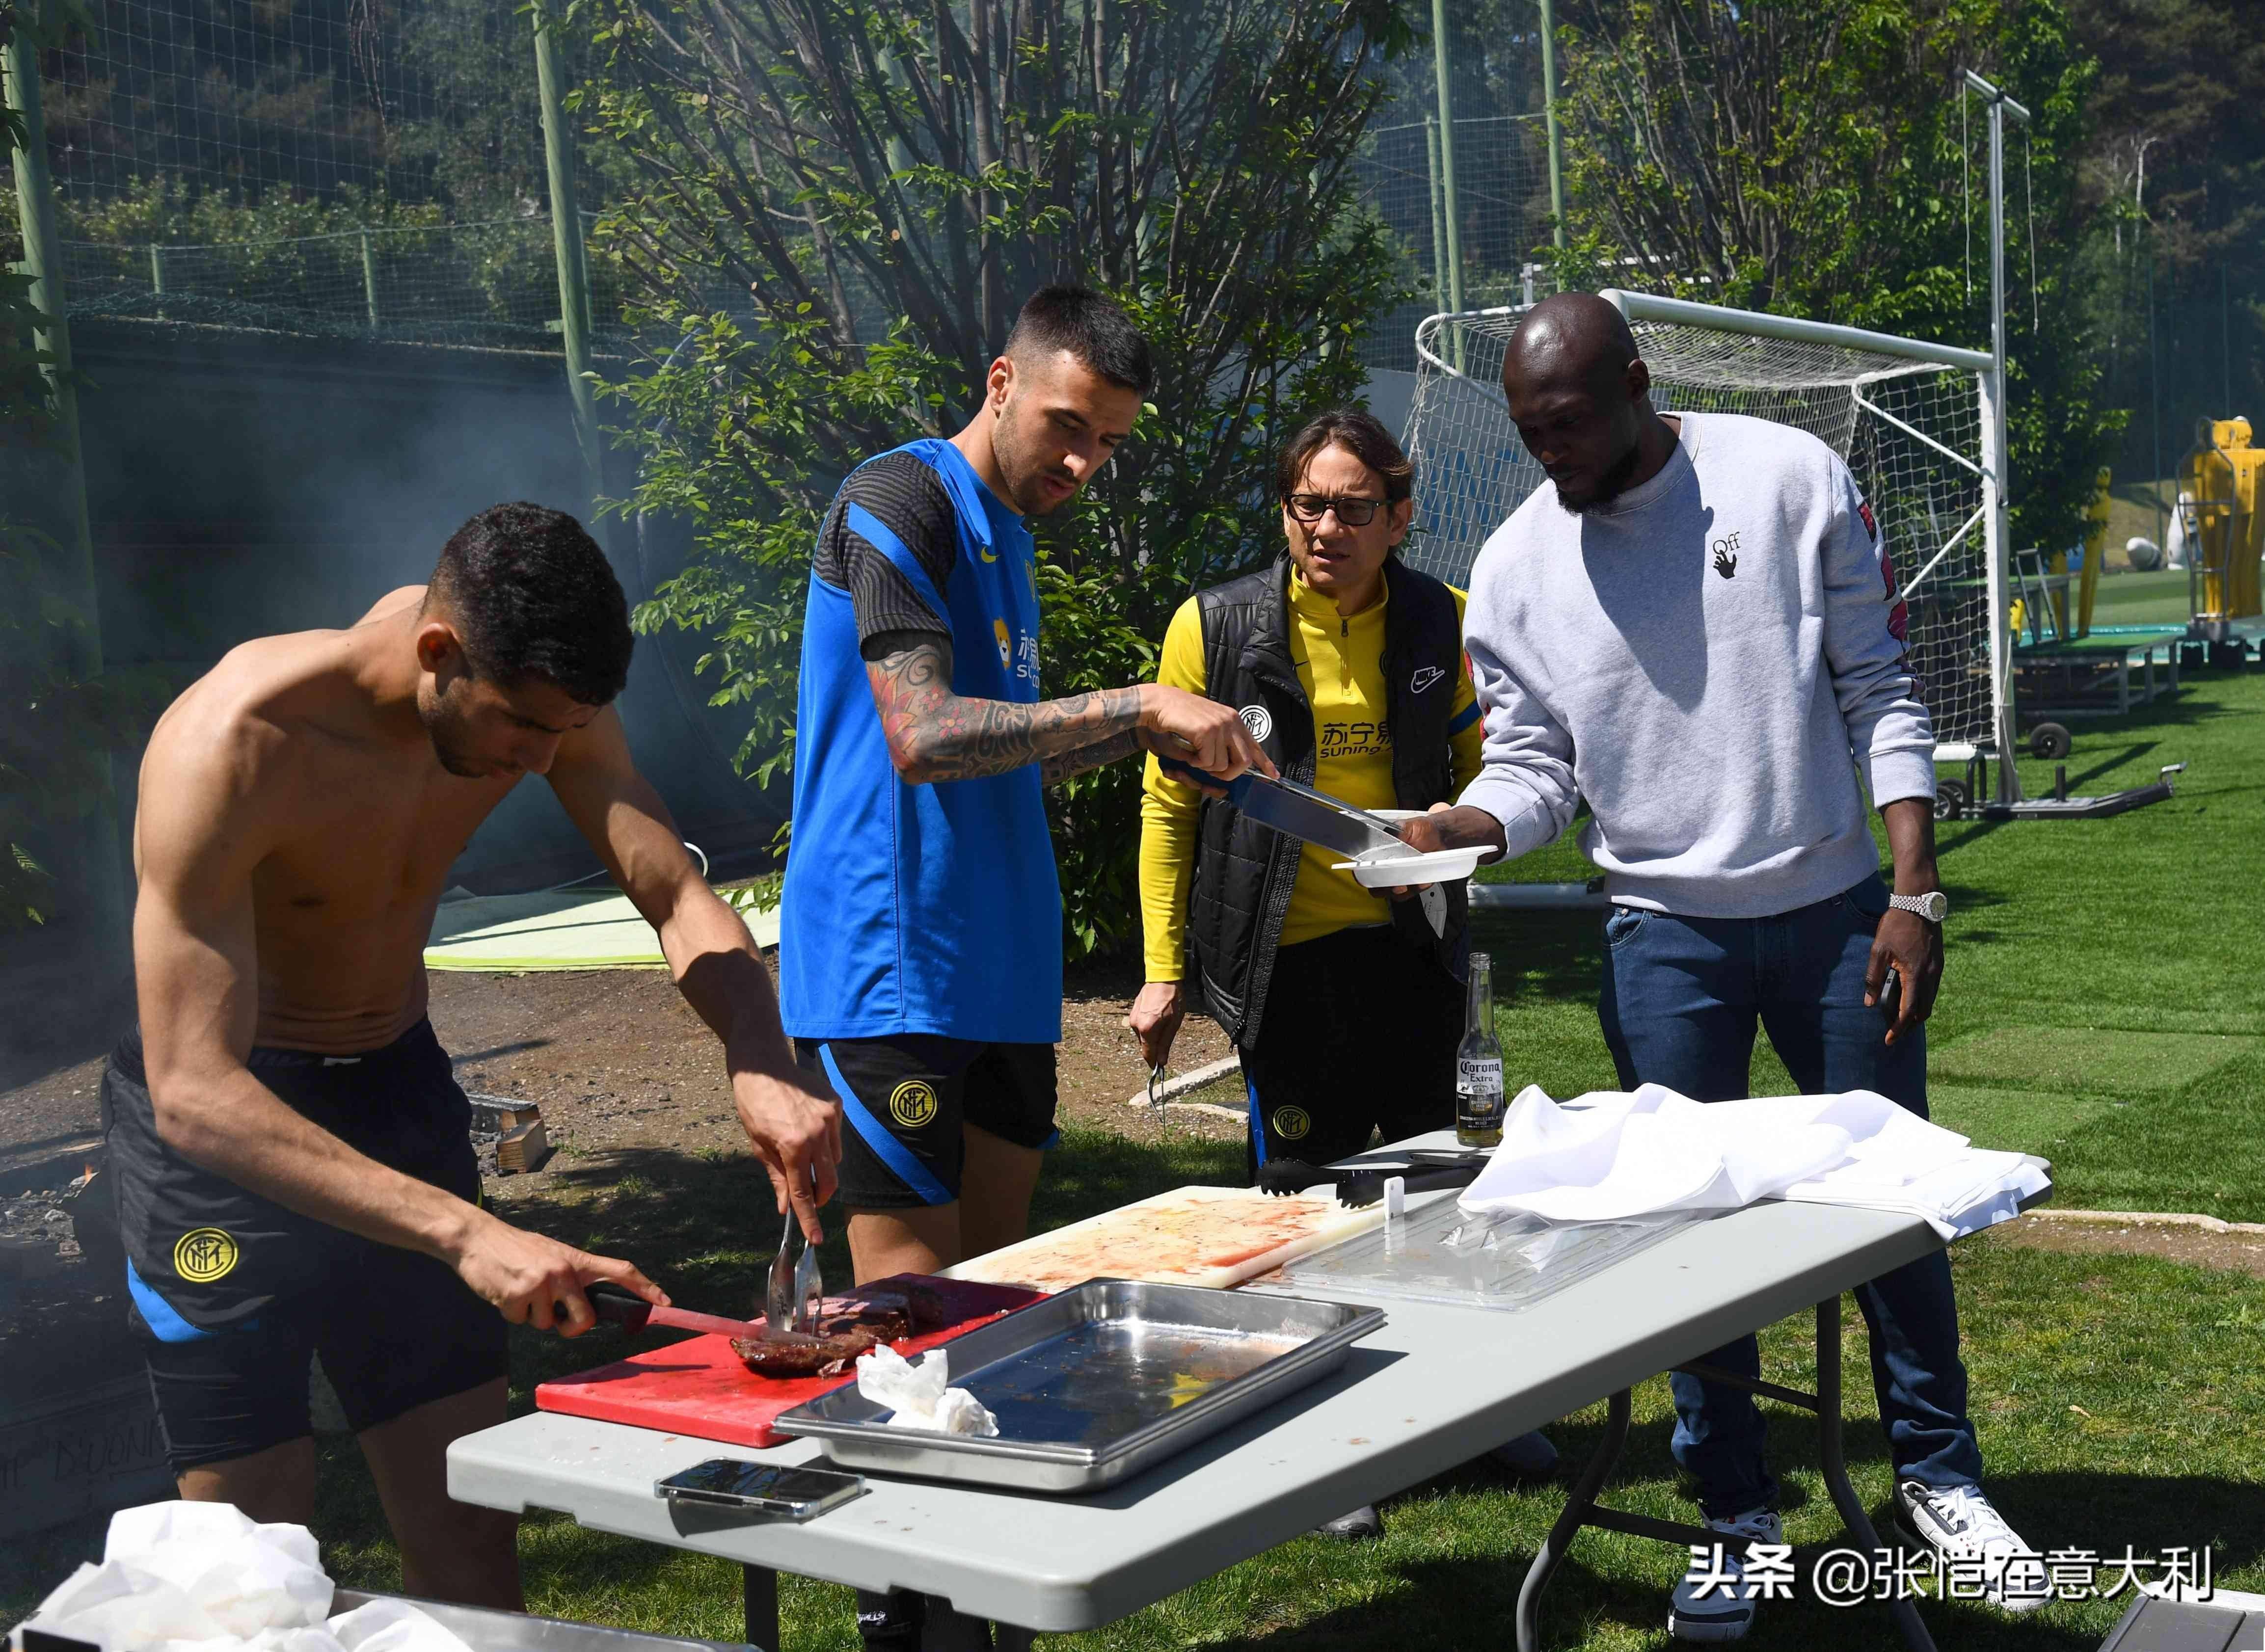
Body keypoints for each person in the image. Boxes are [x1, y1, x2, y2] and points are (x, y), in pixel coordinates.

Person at [1402, 292, 2045, 1638]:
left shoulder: (1785, 475)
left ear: (1638, 385)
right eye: (1527, 434)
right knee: (1679, 1234)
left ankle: (1938, 1478)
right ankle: (1733, 1514)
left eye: (1568, 425)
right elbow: (1535, 772)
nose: (1549, 458)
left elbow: (1879, 689)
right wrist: (1467, 821)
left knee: (1891, 1200)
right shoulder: (1516, 564)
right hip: (1659, 932)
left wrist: (1912, 891)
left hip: (1833, 911)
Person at [107, 502, 839, 1608]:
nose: (543, 761)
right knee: (246, 1568)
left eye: (564, 731)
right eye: (521, 730)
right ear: (440, 654)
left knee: (467, 1536)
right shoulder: (236, 743)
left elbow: (673, 890)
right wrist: (471, 1233)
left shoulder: (549, 699)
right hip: (225, 1151)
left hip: (394, 1092)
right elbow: (195, 1093)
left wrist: (762, 1059)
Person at [776, 285, 1268, 1648]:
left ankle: (973, 1617)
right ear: (1001, 380)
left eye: (1105, 443)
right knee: (909, 1347)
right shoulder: (902, 497)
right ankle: (906, 1617)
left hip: (996, 972)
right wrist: (1137, 699)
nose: (1080, 463)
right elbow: (923, 733)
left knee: (995, 1337)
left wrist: (1155, 738)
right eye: (1066, 426)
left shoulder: (1008, 531)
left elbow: (1018, 731)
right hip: (890, 972)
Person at [1127, 407, 1557, 1542]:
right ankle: (1323, 1449)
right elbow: (1170, 810)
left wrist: (1449, 837)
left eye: (1354, 508)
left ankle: (1468, 1408)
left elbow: (1491, 782)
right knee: (1308, 1206)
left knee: (1440, 1191)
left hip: (1412, 950)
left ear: (1399, 516)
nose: (1326, 528)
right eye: (1308, 505)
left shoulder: (1441, 622)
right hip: (1281, 963)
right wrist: (1164, 971)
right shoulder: (1213, 629)